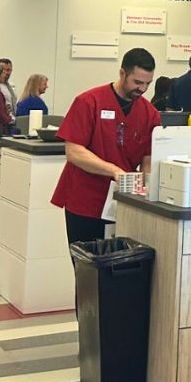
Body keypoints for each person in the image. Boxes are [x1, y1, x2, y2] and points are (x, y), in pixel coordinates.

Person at [50, 48, 161, 246]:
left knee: (117, 269)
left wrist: (147, 189)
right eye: (137, 82)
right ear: (122, 73)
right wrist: (115, 171)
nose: (142, 89)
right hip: (85, 200)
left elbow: (148, 159)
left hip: (123, 203)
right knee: (87, 268)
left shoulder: (149, 113)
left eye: (147, 84)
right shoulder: (89, 102)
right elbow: (74, 152)